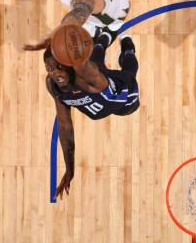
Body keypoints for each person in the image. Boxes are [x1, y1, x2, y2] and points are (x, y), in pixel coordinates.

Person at [46, 35, 139, 199]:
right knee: (97, 58)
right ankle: (103, 40)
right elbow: (65, 125)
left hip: (121, 98)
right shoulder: (53, 85)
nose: (55, 73)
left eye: (58, 67)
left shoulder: (88, 77)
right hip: (97, 95)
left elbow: (85, 67)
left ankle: (128, 49)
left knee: (129, 71)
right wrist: (70, 169)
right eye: (49, 69)